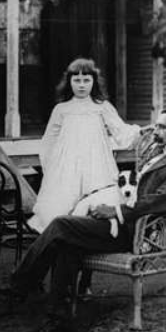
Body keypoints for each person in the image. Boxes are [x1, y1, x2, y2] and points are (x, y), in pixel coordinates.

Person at [0, 108, 166, 332]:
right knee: (67, 245)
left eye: (162, 127)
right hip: (127, 224)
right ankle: (58, 321)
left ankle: (18, 285)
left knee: (61, 225)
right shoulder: (161, 151)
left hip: (144, 233)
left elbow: (160, 200)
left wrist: (115, 210)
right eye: (156, 125)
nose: (155, 131)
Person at [28, 58, 141, 235]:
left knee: (94, 204)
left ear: (94, 82)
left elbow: (120, 131)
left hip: (96, 164)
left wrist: (136, 133)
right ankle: (62, 244)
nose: (82, 85)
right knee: (61, 206)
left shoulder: (102, 107)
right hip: (67, 167)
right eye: (77, 80)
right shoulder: (61, 109)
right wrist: (52, 169)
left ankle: (88, 245)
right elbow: (49, 141)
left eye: (86, 80)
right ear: (69, 82)